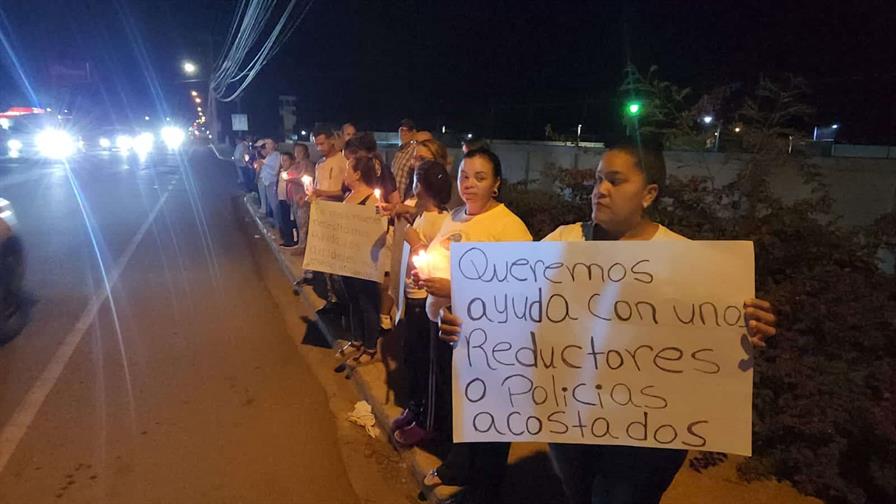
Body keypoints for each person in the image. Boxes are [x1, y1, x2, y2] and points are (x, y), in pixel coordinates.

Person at [435, 140, 780, 504]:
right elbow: (509, 307)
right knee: (579, 493)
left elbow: (714, 341)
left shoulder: (687, 262)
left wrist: (745, 328)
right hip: (572, 423)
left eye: (615, 181)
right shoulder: (563, 241)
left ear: (649, 194)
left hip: (647, 437)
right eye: (599, 179)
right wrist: (467, 323)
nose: (600, 190)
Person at [412, 148, 532, 499]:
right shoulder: (455, 216)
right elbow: (441, 259)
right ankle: (459, 464)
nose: (469, 184)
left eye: (480, 177)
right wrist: (425, 274)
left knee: (489, 415)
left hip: (488, 343)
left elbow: (521, 290)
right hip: (447, 332)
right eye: (464, 176)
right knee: (458, 407)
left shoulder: (510, 228)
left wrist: (456, 289)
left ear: (496, 184)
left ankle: (484, 488)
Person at [385, 160, 453, 446]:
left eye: (415, 180)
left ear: (422, 187)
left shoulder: (440, 220)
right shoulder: (424, 214)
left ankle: (426, 419)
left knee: (424, 362)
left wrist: (415, 242)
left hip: (424, 301)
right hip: (412, 296)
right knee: (412, 357)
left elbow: (431, 261)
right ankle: (415, 408)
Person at [338, 154, 387, 365]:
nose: (345, 173)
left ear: (357, 174)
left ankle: (370, 347)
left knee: (367, 303)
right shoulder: (350, 195)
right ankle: (357, 339)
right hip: (348, 258)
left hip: (365, 261)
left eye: (348, 169)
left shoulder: (373, 201)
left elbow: (380, 234)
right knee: (353, 300)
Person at [288, 143, 314, 251]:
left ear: (305, 153)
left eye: (300, 151)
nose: (298, 154)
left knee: (303, 223)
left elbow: (306, 181)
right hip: (295, 198)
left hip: (303, 199)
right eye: (296, 151)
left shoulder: (307, 165)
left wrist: (292, 179)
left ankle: (303, 247)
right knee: (298, 223)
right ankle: (300, 244)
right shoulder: (296, 165)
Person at [311, 130, 347, 201]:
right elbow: (316, 189)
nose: (319, 148)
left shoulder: (343, 161)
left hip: (335, 206)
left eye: (322, 144)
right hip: (319, 206)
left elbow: (347, 192)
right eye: (316, 145)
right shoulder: (319, 163)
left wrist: (321, 193)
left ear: (332, 140)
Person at [276, 152, 298, 248]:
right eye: (282, 160)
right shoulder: (281, 172)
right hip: (281, 199)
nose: (283, 163)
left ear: (291, 161)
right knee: (284, 219)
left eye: (286, 160)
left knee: (290, 220)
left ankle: (292, 240)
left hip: (289, 200)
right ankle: (286, 238)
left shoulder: (292, 173)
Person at [391, 118, 417, 201]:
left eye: (408, 131)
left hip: (404, 200)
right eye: (402, 130)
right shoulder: (398, 152)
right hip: (393, 198)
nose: (404, 133)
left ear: (414, 133)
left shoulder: (415, 151)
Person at [257, 139, 281, 222]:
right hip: (267, 181)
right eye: (266, 143)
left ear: (274, 145)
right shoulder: (269, 156)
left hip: (272, 181)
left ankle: (278, 222)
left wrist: (264, 164)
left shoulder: (276, 155)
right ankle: (275, 220)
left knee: (274, 202)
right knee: (270, 201)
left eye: (269, 143)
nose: (267, 145)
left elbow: (275, 171)